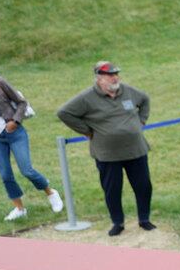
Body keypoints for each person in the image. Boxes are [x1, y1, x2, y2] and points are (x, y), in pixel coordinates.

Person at [0, 54, 62, 221]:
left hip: (15, 133)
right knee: (5, 175)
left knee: (27, 170)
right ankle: (20, 209)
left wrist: (15, 121)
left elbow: (21, 102)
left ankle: (50, 192)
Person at [57, 61, 154, 236]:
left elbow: (145, 100)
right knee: (112, 189)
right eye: (110, 75)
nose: (115, 77)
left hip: (136, 150)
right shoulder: (87, 97)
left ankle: (144, 219)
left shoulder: (129, 91)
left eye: (116, 74)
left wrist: (141, 121)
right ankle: (118, 222)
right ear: (99, 79)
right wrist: (86, 130)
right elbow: (64, 113)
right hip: (107, 154)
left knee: (143, 186)